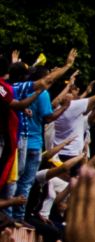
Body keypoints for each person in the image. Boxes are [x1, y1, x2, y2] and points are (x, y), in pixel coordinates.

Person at [6, 49, 76, 219]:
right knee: (24, 182)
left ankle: (10, 214)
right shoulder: (30, 90)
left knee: (14, 179)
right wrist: (67, 66)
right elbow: (49, 117)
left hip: (16, 140)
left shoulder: (9, 87)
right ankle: (16, 216)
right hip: (30, 143)